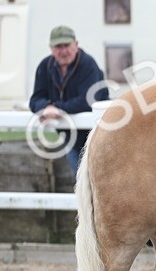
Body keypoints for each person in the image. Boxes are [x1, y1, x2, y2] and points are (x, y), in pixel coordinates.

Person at [28, 25, 107, 175]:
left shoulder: (88, 65)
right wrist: (45, 107)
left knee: (101, 183)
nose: (63, 51)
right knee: (80, 184)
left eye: (67, 45)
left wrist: (57, 108)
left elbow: (88, 101)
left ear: (76, 44)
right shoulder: (45, 67)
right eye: (58, 46)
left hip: (99, 137)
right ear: (51, 48)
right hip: (72, 138)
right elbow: (35, 99)